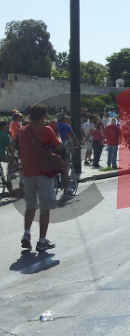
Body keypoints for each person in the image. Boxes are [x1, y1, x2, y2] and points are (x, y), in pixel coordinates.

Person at [16, 104, 63, 253]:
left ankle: (26, 233)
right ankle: (42, 241)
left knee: (30, 206)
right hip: (43, 172)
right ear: (43, 116)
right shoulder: (46, 130)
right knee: (45, 208)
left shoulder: (22, 130)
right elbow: (59, 146)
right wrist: (56, 133)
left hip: (27, 173)